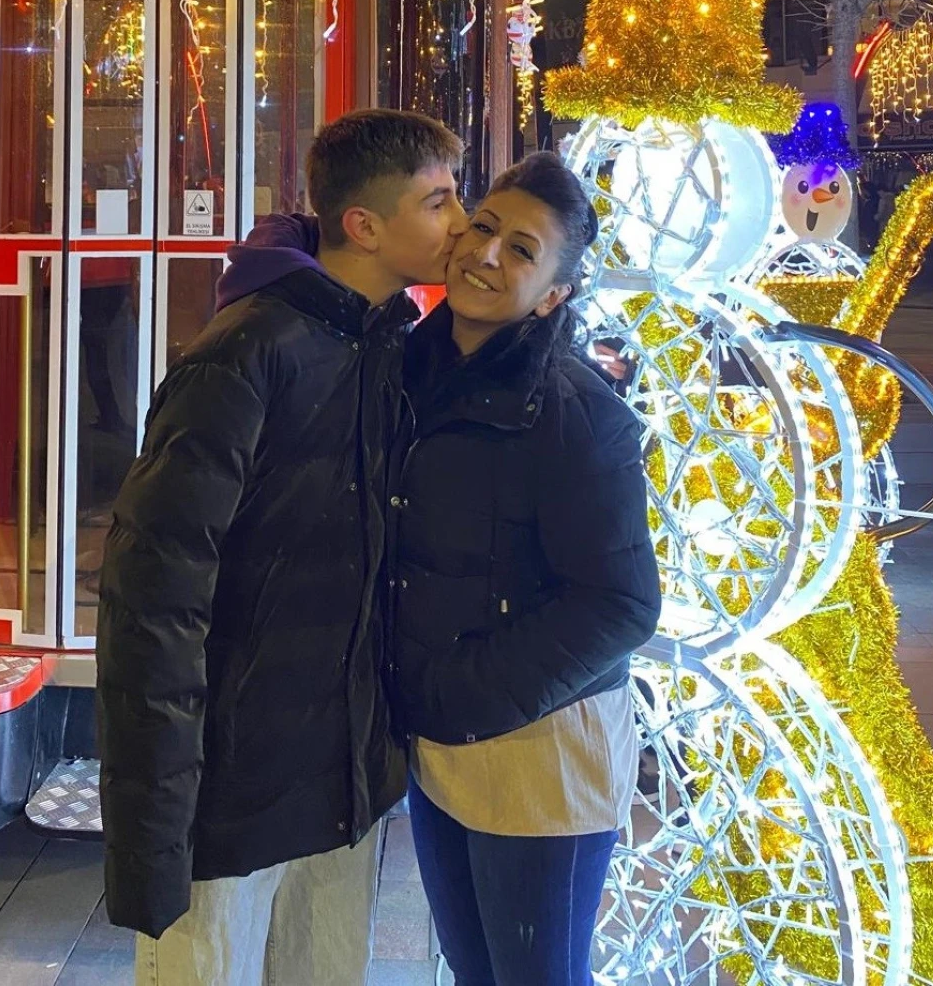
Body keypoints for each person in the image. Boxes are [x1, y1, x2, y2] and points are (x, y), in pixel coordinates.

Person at [95, 109, 468, 985]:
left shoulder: (384, 342)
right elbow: (154, 597)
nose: (461, 223)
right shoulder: (247, 352)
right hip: (230, 796)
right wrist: (154, 829)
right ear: (364, 225)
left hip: (341, 790)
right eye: (439, 201)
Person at [388, 151, 663, 986]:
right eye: (484, 227)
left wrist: (463, 689)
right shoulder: (410, 372)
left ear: (553, 294)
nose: (485, 254)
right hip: (441, 743)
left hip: (541, 758)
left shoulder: (577, 413)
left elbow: (621, 604)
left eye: (521, 250)